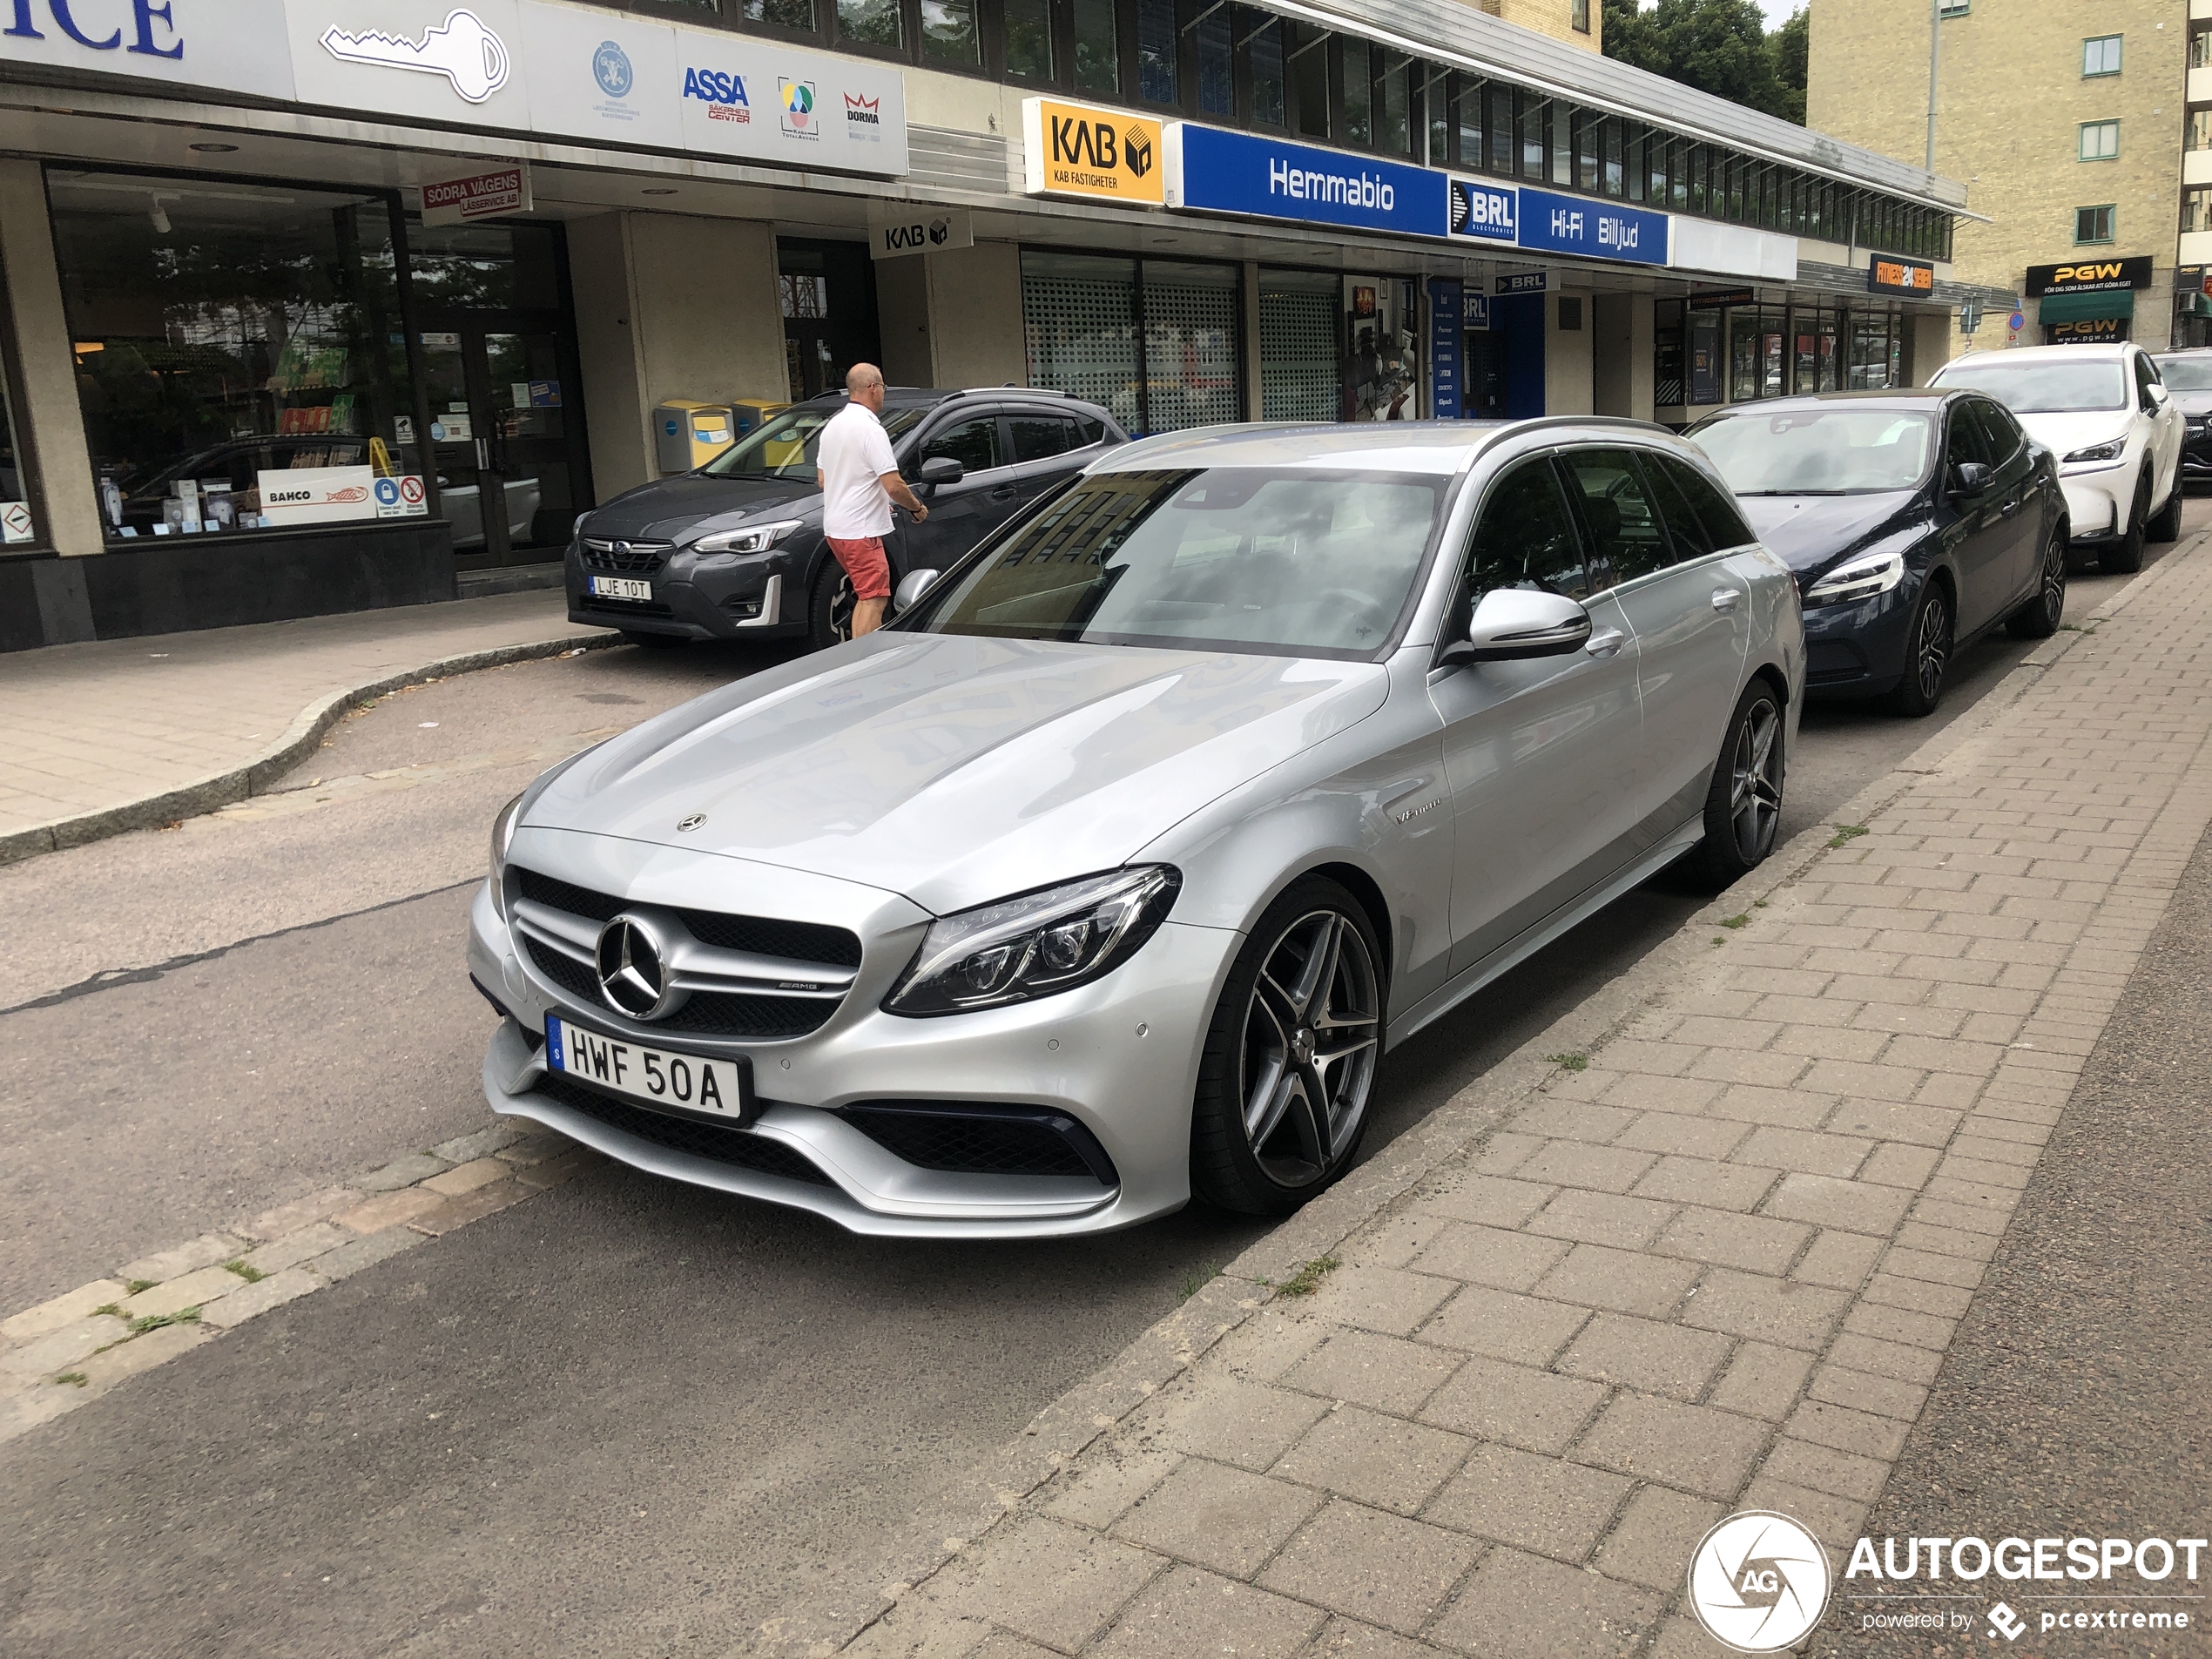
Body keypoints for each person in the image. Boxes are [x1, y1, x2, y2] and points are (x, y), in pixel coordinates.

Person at [816, 363, 927, 638]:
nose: (883, 395)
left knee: (865, 595)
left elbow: (824, 479)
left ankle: (857, 658)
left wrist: (871, 499)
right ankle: (864, 664)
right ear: (872, 388)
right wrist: (916, 507)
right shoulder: (871, 430)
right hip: (861, 531)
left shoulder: (833, 425)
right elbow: (894, 484)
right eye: (883, 389)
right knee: (875, 597)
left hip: (836, 528)